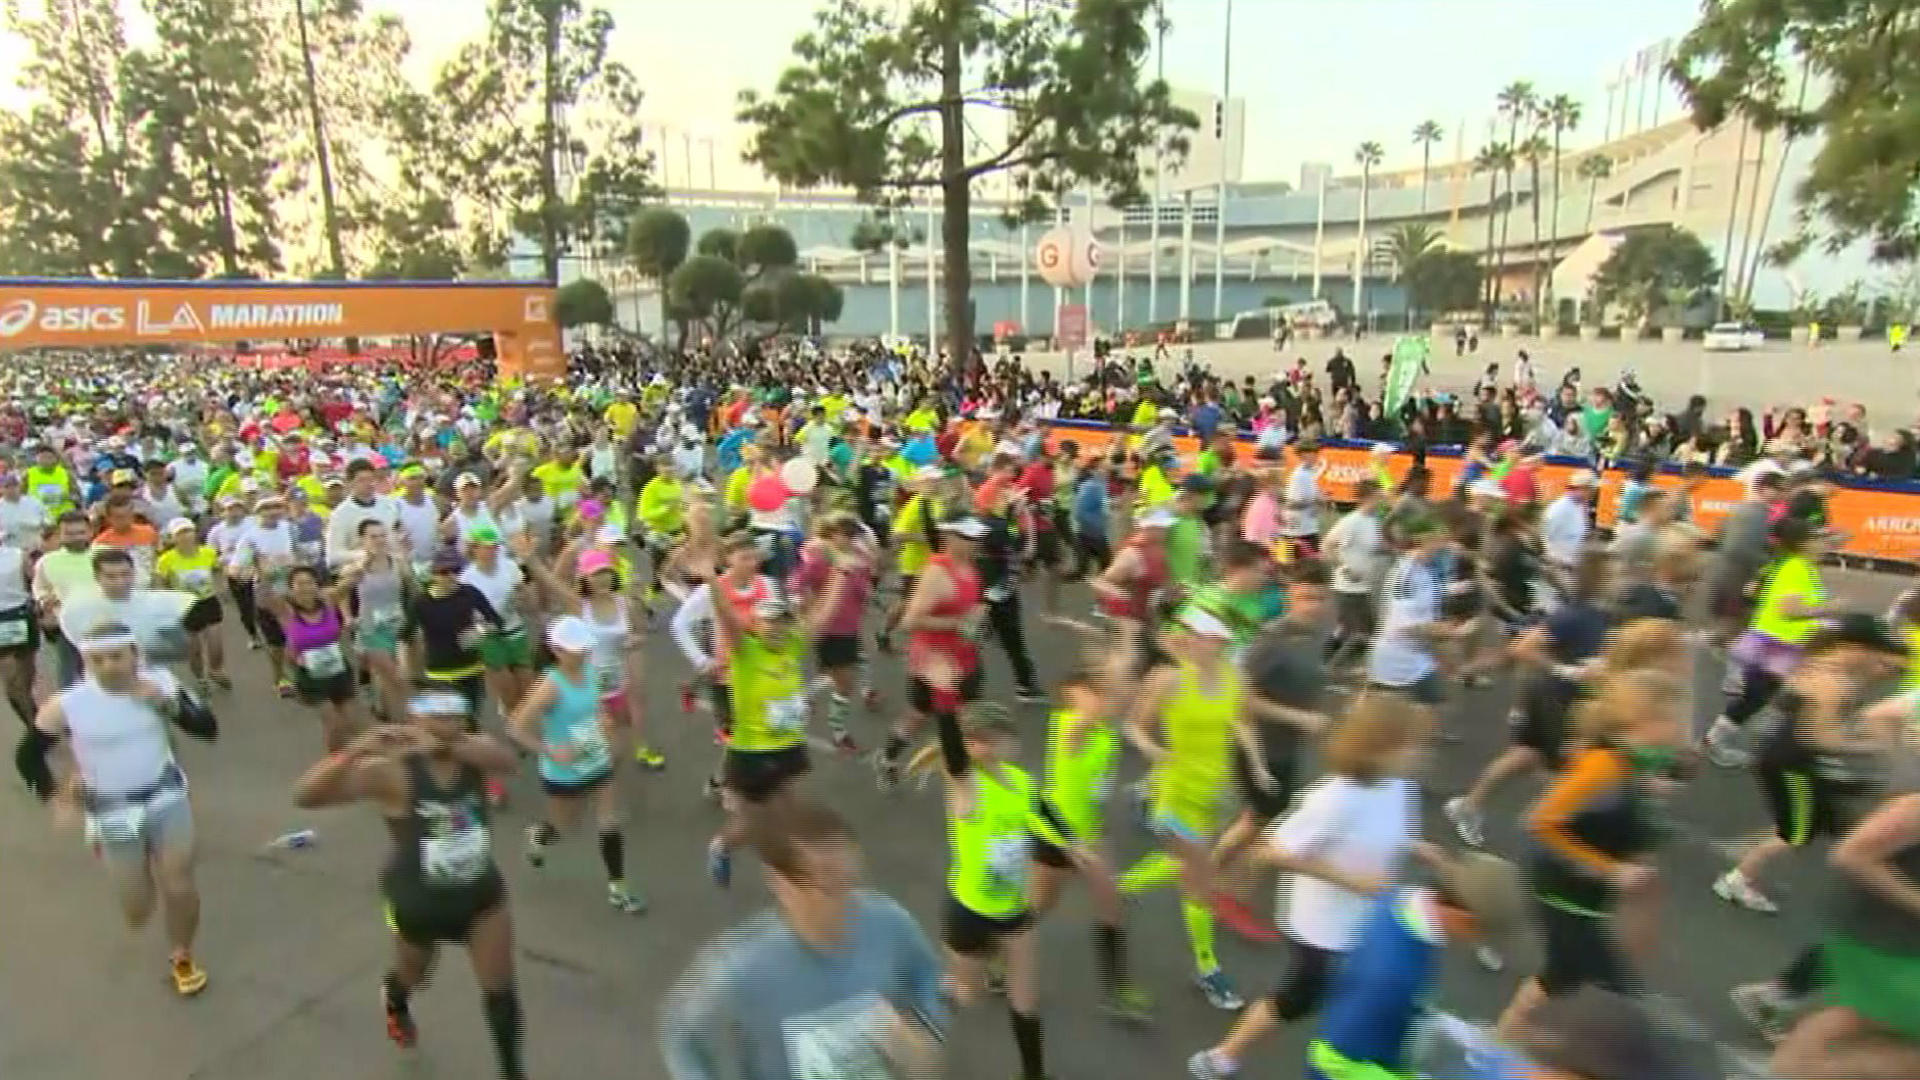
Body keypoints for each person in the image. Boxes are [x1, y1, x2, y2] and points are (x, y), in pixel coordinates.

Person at [292, 691, 530, 1080]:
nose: (446, 724)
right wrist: (355, 750)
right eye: (435, 717)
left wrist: (453, 744)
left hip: (480, 898)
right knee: (416, 972)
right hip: (418, 900)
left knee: (501, 992)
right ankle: (396, 999)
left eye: (454, 717)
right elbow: (303, 795)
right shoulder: (392, 772)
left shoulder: (472, 754)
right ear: (414, 720)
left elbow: (507, 761)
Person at [1188, 693, 1427, 1080]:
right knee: (1300, 997)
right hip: (1323, 927)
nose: (1420, 754)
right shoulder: (1336, 798)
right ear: (1382, 748)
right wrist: (1350, 880)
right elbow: (1269, 852)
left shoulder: (1401, 788)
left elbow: (1397, 837)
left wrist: (1429, 855)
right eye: (1411, 745)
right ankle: (1223, 1056)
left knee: (1381, 996)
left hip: (1373, 917)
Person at [660, 799, 946, 1080]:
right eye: (827, 883)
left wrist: (923, 1034)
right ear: (780, 883)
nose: (847, 897)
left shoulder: (887, 922)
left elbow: (926, 975)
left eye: (851, 875)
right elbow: (682, 1031)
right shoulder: (743, 966)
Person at [21, 619, 219, 996]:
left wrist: (167, 704)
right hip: (112, 810)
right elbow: (27, 756)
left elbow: (208, 729)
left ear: (135, 656)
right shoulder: (67, 705)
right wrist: (54, 797)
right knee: (138, 910)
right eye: (99, 660)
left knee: (178, 885)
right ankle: (120, 862)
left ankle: (182, 953)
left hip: (166, 797)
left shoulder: (160, 684)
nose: (110, 666)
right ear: (86, 661)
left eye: (117, 657)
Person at [1121, 605, 1273, 1011]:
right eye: (1185, 630)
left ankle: (1124, 887)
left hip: (1212, 791)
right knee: (1201, 879)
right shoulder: (1168, 679)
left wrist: (1257, 765)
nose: (1187, 638)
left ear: (1220, 643)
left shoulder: (1234, 678)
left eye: (1197, 633)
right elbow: (1133, 725)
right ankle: (1207, 968)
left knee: (1189, 865)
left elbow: (1242, 723)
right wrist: (1153, 749)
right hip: (1172, 794)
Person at [909, 702, 1054, 1080]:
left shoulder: (1020, 780)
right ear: (981, 744)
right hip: (969, 912)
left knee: (1026, 1000)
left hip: (1013, 910)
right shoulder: (966, 785)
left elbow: (1042, 811)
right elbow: (955, 756)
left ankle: (1033, 1076)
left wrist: (1073, 845)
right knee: (967, 995)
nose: (1016, 742)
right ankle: (916, 1013)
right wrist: (942, 696)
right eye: (1007, 737)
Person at [1300, 847, 1530, 1080]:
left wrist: (1447, 1026)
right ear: (1463, 918)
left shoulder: (1402, 899)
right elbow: (1330, 1058)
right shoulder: (1390, 980)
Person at [698, 546, 844, 888]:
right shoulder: (745, 651)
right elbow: (726, 616)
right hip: (751, 753)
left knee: (787, 814)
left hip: (789, 746)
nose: (777, 629)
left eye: (782, 622)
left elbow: (822, 617)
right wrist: (709, 577)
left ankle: (792, 874)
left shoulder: (791, 646)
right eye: (768, 622)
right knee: (755, 822)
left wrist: (842, 573)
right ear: (755, 625)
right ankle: (721, 847)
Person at [508, 615, 646, 914]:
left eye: (585, 647)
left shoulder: (591, 671)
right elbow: (515, 727)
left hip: (597, 759)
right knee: (565, 828)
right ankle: (538, 835)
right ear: (557, 650)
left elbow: (596, 709)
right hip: (565, 771)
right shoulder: (550, 685)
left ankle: (618, 888)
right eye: (576, 649)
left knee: (609, 823)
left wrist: (606, 727)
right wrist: (548, 751)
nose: (583, 653)